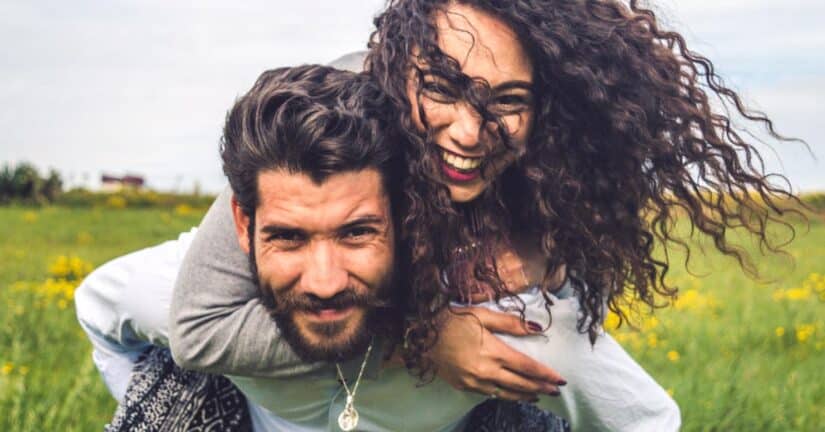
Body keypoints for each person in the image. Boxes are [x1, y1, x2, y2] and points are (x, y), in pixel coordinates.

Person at [78, 64, 678, 432]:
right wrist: (417, 338)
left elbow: (647, 421)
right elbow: (99, 310)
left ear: (407, 214)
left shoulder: (505, 331)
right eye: (288, 236)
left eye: (357, 232)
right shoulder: (185, 292)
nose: (324, 280)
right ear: (243, 225)